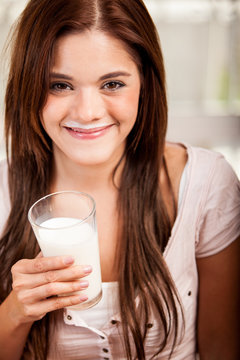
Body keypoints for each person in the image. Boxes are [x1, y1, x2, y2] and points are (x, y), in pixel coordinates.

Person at [0, 0, 239, 359]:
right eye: (60, 85)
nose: (88, 112)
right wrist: (16, 312)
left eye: (112, 83)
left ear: (146, 83)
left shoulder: (205, 183)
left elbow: (223, 347)